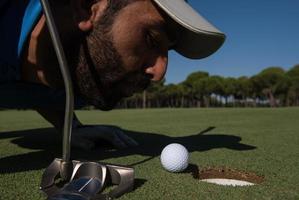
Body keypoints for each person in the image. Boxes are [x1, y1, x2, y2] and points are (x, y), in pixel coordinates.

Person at [0, 0, 225, 150]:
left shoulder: (82, 79)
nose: (159, 73)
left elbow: (47, 90)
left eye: (168, 51)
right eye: (152, 39)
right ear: (88, 6)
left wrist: (70, 127)